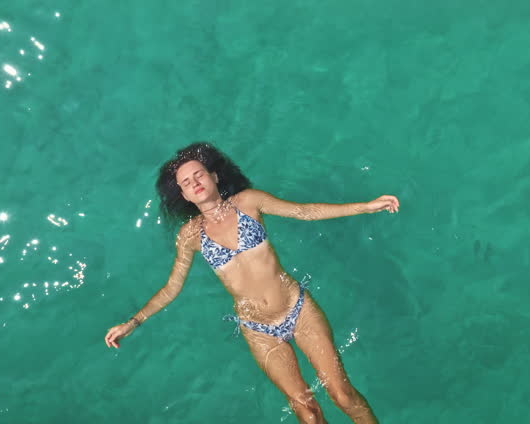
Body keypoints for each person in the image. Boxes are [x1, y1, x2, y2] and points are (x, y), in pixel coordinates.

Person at [105, 142, 399, 424]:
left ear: (214, 177)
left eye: (199, 174)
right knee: (308, 414)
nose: (194, 182)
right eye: (186, 182)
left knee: (342, 395)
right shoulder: (190, 236)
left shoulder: (248, 202)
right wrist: (133, 322)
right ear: (184, 195)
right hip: (259, 330)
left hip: (297, 310)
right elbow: (171, 288)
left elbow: (304, 211)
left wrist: (366, 206)